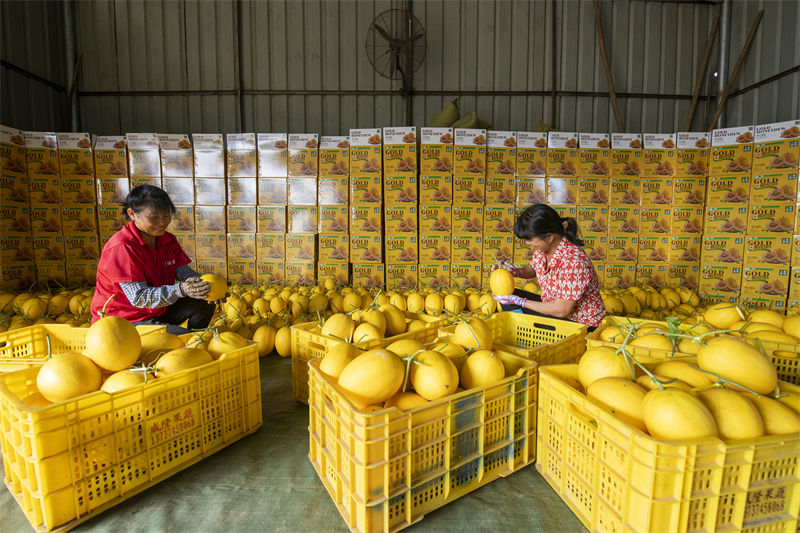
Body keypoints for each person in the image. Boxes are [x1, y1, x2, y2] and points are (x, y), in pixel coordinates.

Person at [90, 185, 224, 334]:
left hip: (157, 311)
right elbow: (140, 297)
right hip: (124, 322)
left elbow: (184, 272)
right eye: (154, 217)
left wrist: (207, 287)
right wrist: (181, 289)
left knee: (204, 303)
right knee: (186, 342)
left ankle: (199, 337)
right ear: (132, 214)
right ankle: (194, 342)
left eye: (166, 215)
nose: (162, 222)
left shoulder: (167, 240)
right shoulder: (122, 247)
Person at [492, 204, 606, 331]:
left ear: (549, 236)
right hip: (553, 309)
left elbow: (561, 310)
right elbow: (533, 268)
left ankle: (527, 336)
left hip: (578, 324)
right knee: (505, 294)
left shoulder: (574, 261)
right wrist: (516, 272)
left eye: (530, 238)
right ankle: (525, 332)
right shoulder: (543, 249)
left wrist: (521, 302)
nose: (527, 243)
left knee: (513, 302)